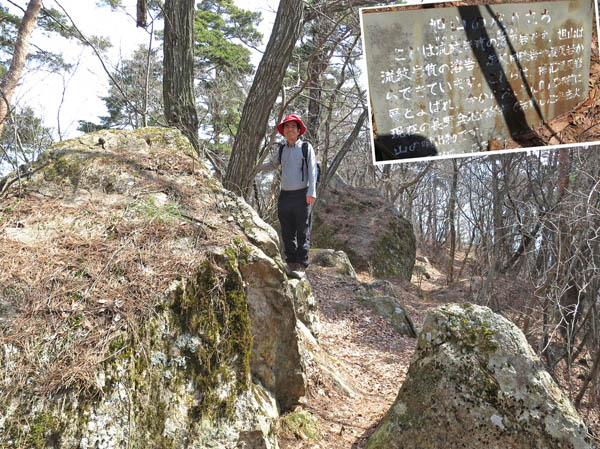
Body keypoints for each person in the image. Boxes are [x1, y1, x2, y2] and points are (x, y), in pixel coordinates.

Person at [260, 114, 318, 278]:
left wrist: (311, 192)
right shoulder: (282, 149)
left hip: (302, 195)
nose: (290, 129)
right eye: (287, 127)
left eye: (293, 126)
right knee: (287, 231)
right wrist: (257, 167)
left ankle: (301, 265)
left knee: (302, 231)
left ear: (299, 130)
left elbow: (313, 170)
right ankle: (291, 262)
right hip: (285, 195)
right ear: (283, 131)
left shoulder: (306, 148)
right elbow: (272, 165)